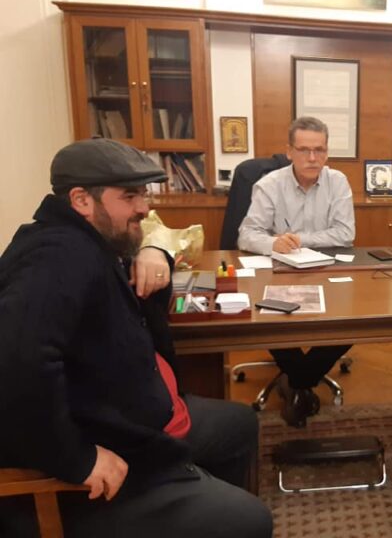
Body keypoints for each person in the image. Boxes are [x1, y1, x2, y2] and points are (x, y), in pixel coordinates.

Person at [0, 138, 272, 538]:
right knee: (251, 520)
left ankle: (197, 499)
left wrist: (155, 251)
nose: (144, 207)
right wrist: (78, 459)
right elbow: (16, 361)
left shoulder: (94, 240)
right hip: (104, 459)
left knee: (239, 425)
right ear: (81, 200)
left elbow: (148, 257)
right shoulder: (56, 254)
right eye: (130, 197)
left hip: (138, 419)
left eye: (143, 194)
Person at [238, 116, 355, 427]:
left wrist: (300, 239)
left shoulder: (338, 182)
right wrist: (273, 243)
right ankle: (303, 382)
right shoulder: (269, 185)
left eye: (320, 150)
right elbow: (246, 235)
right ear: (289, 151)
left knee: (353, 321)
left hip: (326, 272)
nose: (313, 158)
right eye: (304, 150)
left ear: (327, 152)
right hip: (280, 274)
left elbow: (345, 234)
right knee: (268, 320)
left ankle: (296, 381)